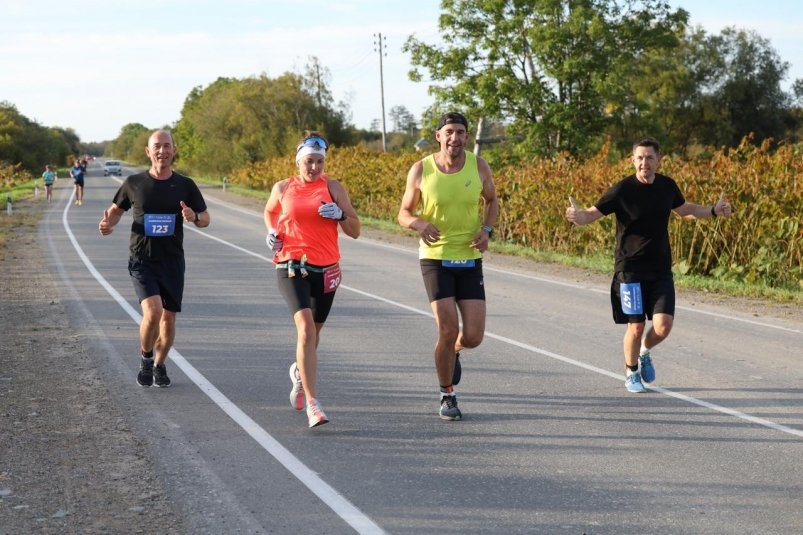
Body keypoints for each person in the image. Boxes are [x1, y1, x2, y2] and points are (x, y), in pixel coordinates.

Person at [565, 136, 733, 393]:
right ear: (632, 160)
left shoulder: (667, 186)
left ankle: (644, 351)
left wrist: (712, 210)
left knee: (663, 327)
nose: (645, 162)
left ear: (658, 160)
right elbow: (591, 214)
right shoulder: (621, 190)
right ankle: (631, 372)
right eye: (640, 158)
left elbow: (684, 209)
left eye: (650, 157)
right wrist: (577, 217)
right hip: (629, 269)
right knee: (636, 325)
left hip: (660, 269)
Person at [397, 112, 499, 421]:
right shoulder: (421, 169)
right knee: (447, 326)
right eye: (450, 132)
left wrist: (487, 230)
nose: (455, 137)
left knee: (474, 336)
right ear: (439, 136)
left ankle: (453, 349)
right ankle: (447, 394)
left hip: (469, 257)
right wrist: (418, 223)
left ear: (467, 137)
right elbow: (403, 212)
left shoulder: (478, 166)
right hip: (435, 257)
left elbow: (492, 201)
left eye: (461, 132)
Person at [98, 130, 210, 388]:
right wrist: (107, 225)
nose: (162, 151)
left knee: (168, 318)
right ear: (148, 152)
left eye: (167, 146)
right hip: (142, 260)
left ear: (174, 150)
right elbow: (115, 211)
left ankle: (160, 364)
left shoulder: (185, 185)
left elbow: (205, 218)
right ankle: (146, 358)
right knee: (153, 312)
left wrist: (194, 217)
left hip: (172, 261)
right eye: (157, 146)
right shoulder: (134, 183)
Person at [263, 131, 360, 428]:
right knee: (305, 328)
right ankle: (313, 404)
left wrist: (340, 214)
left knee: (313, 335)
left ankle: (298, 373)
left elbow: (355, 230)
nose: (314, 167)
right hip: (291, 264)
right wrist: (271, 233)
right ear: (298, 161)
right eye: (309, 161)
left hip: (327, 269)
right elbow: (270, 211)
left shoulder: (333, 187)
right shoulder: (282, 187)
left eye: (319, 161)